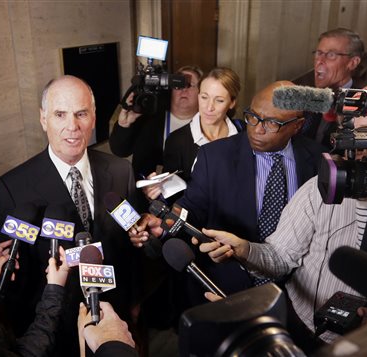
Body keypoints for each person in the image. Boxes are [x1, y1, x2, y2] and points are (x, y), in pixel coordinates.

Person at [196, 82, 367, 349]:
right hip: (294, 328)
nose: (363, 147)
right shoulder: (320, 188)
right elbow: (279, 257)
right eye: (357, 134)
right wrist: (245, 249)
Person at [132, 80, 324, 304]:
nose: (258, 129)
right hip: (227, 289)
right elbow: (192, 208)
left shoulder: (320, 162)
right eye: (252, 117)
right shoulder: (213, 157)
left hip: (298, 293)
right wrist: (164, 226)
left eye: (272, 123)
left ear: (297, 125)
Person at [0, 75, 141, 356]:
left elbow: (130, 250)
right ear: (43, 119)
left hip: (113, 320)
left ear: (94, 117)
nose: (72, 126)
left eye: (81, 114)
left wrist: (133, 301)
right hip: (52, 331)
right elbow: (10, 277)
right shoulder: (12, 188)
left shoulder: (122, 171)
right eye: (60, 114)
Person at [143, 67, 244, 201]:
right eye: (204, 97)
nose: (209, 107)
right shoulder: (176, 141)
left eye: (219, 100)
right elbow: (176, 198)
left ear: (232, 103)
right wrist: (158, 192)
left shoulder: (244, 131)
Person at [109, 65, 203, 177]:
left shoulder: (207, 123)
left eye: (189, 85)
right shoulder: (150, 115)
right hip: (145, 188)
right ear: (171, 89)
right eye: (178, 84)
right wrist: (124, 124)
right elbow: (120, 151)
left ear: (201, 92)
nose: (183, 89)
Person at [302, 28, 364, 148]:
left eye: (331, 55)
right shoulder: (305, 96)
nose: (320, 61)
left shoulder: (361, 106)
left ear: (353, 63)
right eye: (319, 53)